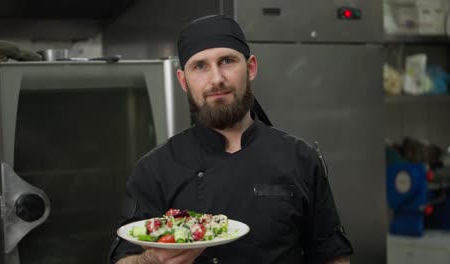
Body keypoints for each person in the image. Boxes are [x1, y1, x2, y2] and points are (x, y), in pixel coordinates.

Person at [109, 14, 353, 264]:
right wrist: (153, 260)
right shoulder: (154, 169)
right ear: (183, 81)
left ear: (250, 68)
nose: (216, 79)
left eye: (227, 61)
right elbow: (124, 258)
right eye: (200, 66)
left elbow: (332, 255)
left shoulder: (300, 158)